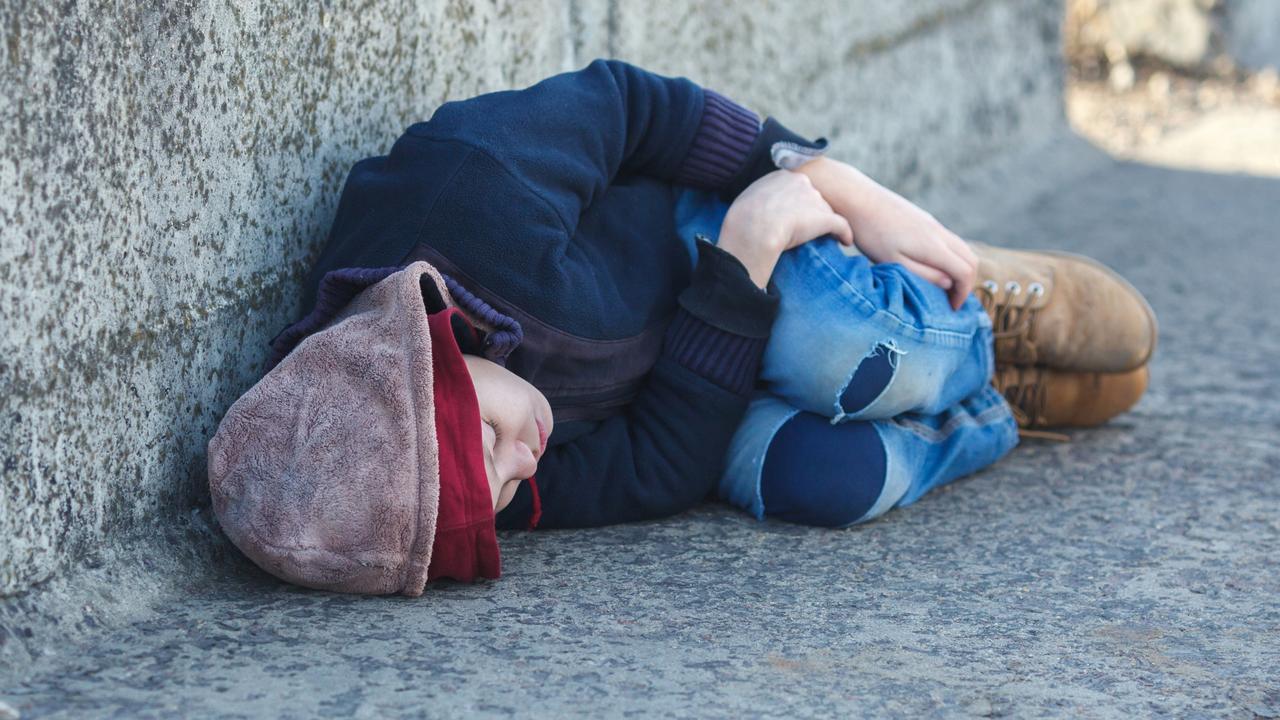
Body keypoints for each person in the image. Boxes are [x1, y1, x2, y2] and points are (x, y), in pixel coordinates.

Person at [206, 60, 1155, 595]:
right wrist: (738, 285)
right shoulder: (460, 494)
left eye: (489, 434)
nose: (522, 467)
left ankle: (975, 306)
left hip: (715, 231)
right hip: (709, 340)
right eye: (498, 498)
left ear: (423, 351)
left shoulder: (463, 203)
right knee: (829, 480)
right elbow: (661, 468)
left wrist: (815, 186)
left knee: (840, 349)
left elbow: (628, 105)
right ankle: (989, 405)